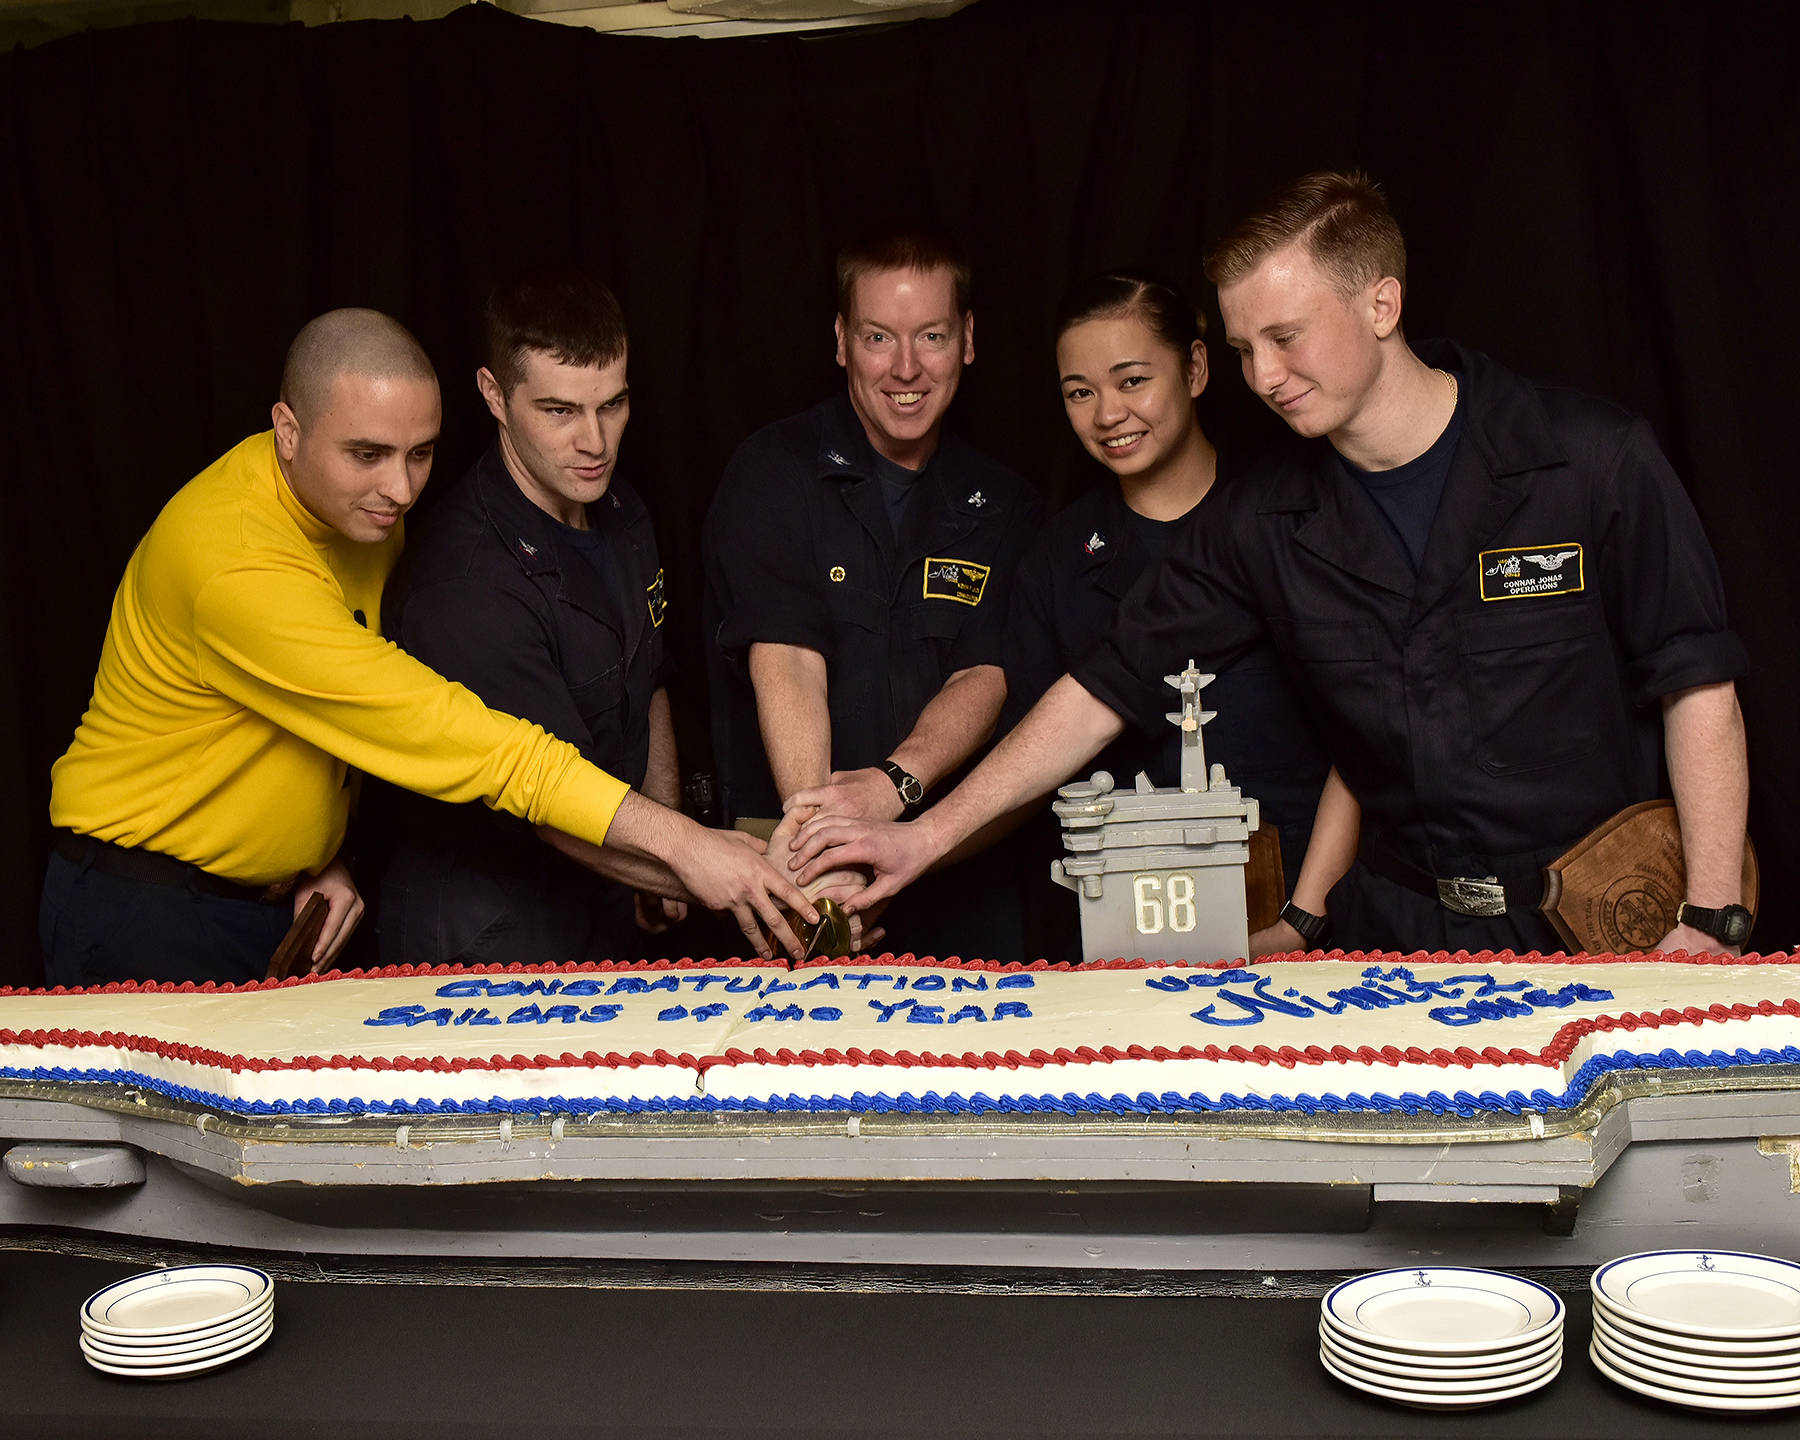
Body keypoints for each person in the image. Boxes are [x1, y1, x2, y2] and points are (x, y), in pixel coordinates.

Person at [786, 170, 1750, 959]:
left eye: (1286, 338)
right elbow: (1104, 688)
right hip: (1397, 942)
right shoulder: (1264, 518)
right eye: (1245, 347)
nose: (1263, 377)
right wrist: (923, 834)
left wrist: (1709, 917)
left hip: (1601, 930)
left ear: (1383, 301)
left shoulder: (1592, 460)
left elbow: (1696, 684)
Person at [42, 308, 817, 990]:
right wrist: (684, 844)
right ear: (287, 430)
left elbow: (311, 717)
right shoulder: (232, 563)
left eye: (421, 453)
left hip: (275, 906)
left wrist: (308, 858)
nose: (403, 490)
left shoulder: (360, 512)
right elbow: (464, 740)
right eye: (368, 454)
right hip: (141, 907)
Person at [703, 225, 1041, 961]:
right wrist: (822, 855)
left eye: (932, 336)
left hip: (962, 881)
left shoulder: (1006, 505)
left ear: (969, 339)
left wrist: (895, 788)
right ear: (841, 340)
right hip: (797, 874)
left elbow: (985, 671)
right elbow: (786, 657)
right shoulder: (772, 471)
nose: (907, 368)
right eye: (879, 337)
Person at [1004, 271, 1343, 958]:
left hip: (1299, 925)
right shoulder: (1057, 558)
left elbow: (1365, 737)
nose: (1106, 414)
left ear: (1194, 368)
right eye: (1080, 392)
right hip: (1114, 940)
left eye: (1132, 381)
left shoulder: (1294, 513)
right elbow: (1029, 763)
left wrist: (1309, 914)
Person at [372, 272, 688, 966]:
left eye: (613, 405)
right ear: (494, 395)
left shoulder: (621, 509)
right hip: (482, 930)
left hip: (604, 903)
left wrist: (667, 837)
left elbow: (650, 679)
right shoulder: (463, 582)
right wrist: (699, 864)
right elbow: (550, 810)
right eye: (560, 411)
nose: (595, 441)